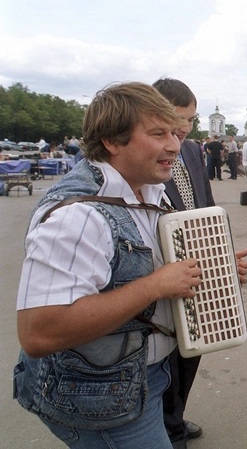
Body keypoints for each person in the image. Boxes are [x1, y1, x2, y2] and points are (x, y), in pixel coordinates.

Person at [13, 82, 202, 449]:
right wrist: (156, 285)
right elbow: (39, 333)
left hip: (138, 384)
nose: (174, 145)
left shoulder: (146, 189)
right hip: (100, 403)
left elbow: (136, 269)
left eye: (175, 132)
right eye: (158, 133)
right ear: (113, 142)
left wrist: (205, 272)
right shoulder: (79, 215)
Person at [153, 78, 215, 449]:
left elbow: (205, 204)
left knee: (193, 347)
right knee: (164, 358)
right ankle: (165, 430)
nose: (184, 128)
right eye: (177, 118)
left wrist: (218, 255)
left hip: (197, 263)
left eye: (190, 120)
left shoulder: (192, 150)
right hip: (161, 269)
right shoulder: (150, 151)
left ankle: (174, 418)